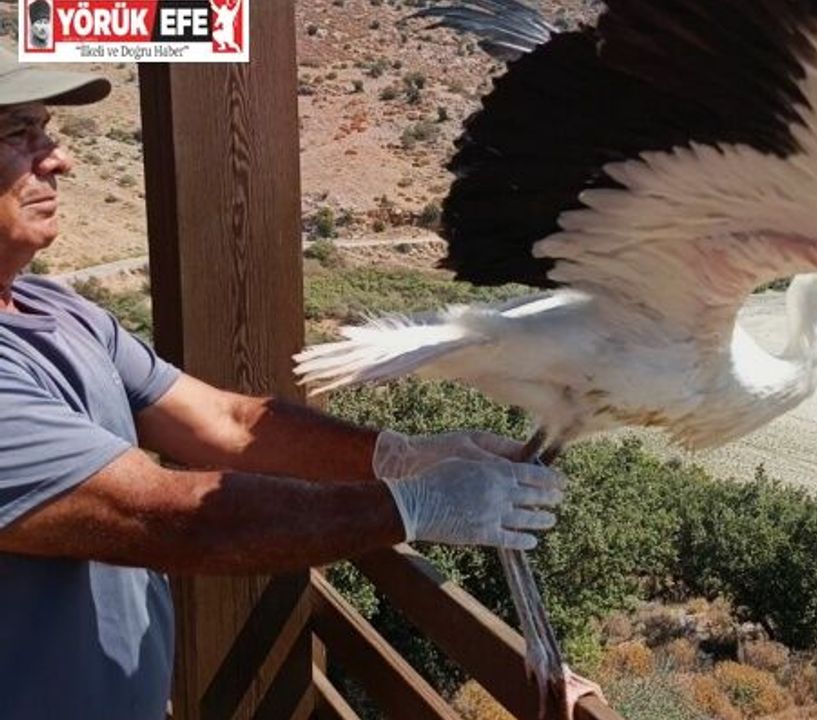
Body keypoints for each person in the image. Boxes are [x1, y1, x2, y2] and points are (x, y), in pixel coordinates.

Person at [0, 49, 564, 719]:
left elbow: (227, 423)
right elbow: (168, 518)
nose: (59, 159)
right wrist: (413, 506)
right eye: (19, 133)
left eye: (47, 129)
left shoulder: (55, 309)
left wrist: (400, 456)